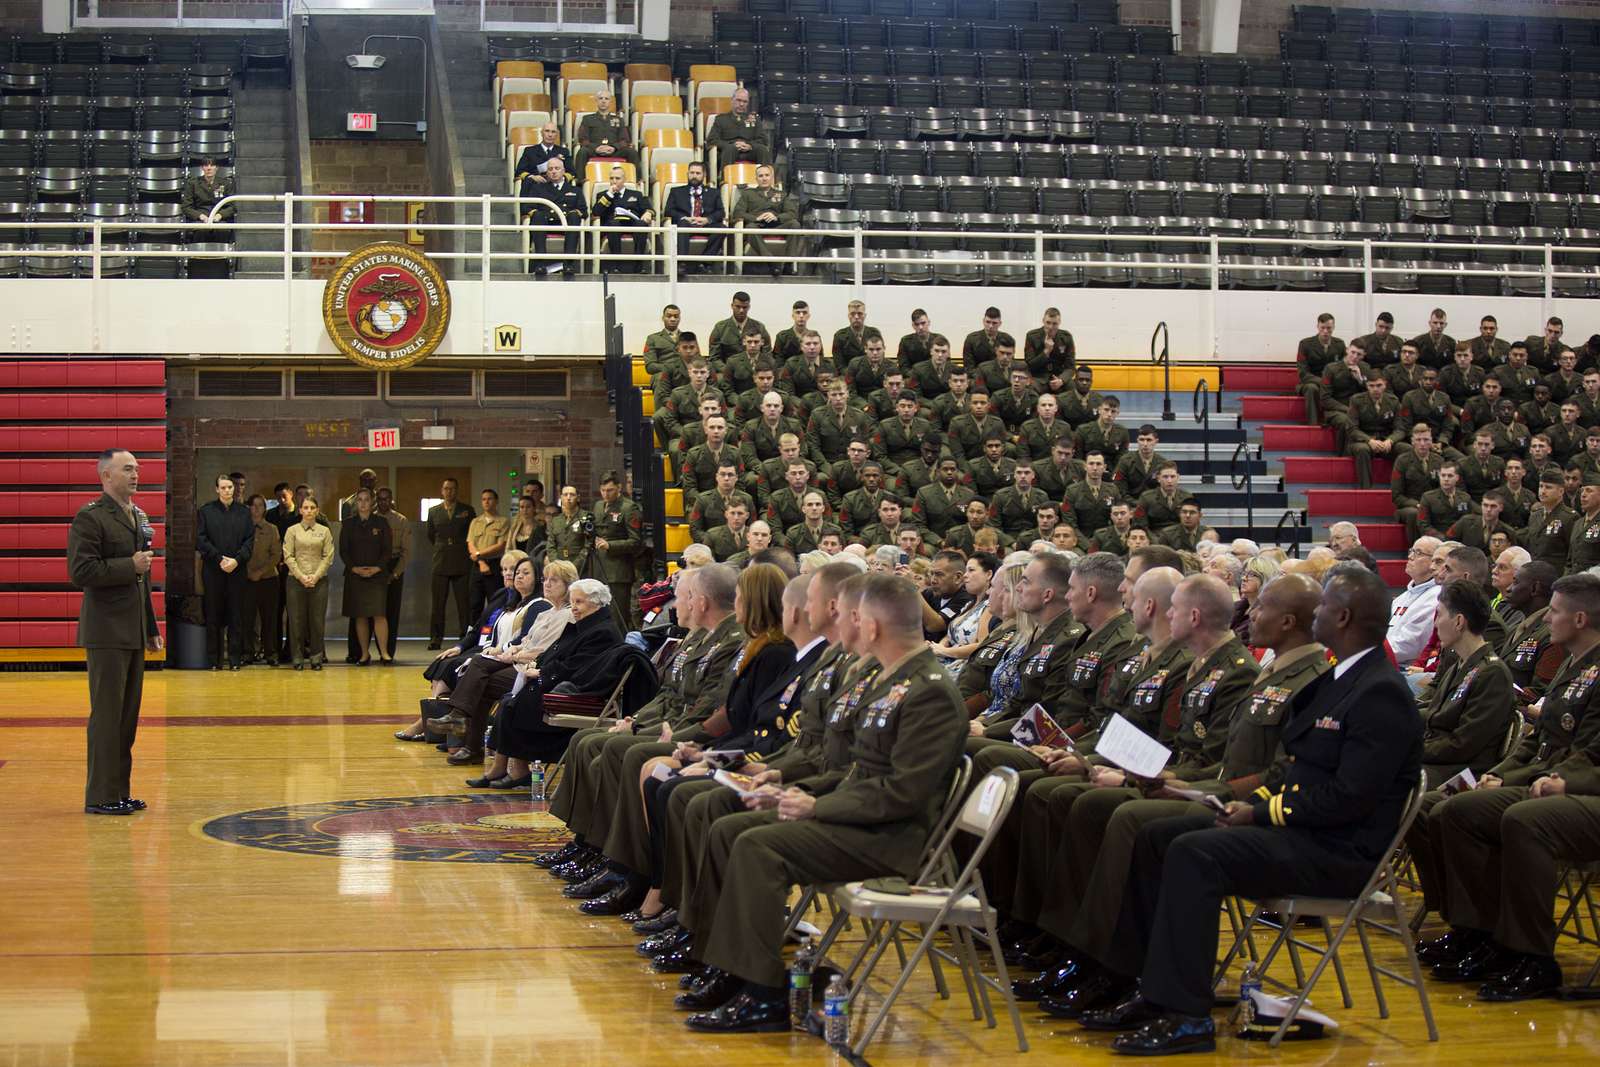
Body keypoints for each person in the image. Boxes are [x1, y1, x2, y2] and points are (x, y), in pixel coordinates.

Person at [1089, 566, 1421, 1055]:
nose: (1316, 615)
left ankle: (1187, 1015)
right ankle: (1145, 987)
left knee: (1194, 853)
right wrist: (1240, 802)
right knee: (1156, 837)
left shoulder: (1381, 691)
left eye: (1324, 607)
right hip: (1306, 833)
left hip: (1340, 852)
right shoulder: (1339, 679)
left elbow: (1349, 798)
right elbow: (1299, 774)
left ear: (1344, 616)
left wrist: (1259, 814)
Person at [681, 574, 968, 1032]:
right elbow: (851, 769)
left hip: (893, 839)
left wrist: (816, 806)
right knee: (731, 828)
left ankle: (765, 995)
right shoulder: (886, 678)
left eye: (856, 616)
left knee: (757, 846)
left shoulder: (928, 689)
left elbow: (901, 795)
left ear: (871, 626)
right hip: (860, 818)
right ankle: (733, 967)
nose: (845, 621)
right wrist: (794, 789)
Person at [1421, 572, 1600, 1001]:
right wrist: (1504, 774)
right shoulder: (1571, 665)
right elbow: (1535, 743)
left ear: (1579, 618)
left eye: (1554, 612)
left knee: (1525, 820)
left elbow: (1593, 753)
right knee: (1454, 809)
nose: (1545, 619)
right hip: (1552, 782)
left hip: (1585, 790)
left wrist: (1557, 781)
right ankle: (1479, 931)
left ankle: (1534, 956)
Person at [67, 449, 161, 815]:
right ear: (106, 476)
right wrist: (129, 564)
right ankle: (100, 796)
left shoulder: (137, 515)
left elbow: (144, 579)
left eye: (137, 468)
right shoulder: (90, 518)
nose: (135, 474)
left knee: (126, 718)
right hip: (106, 630)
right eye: (127, 469)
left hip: (133, 630)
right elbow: (81, 572)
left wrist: (151, 627)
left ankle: (119, 791)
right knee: (107, 716)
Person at [491, 578, 626, 769]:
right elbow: (558, 655)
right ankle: (505, 769)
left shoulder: (601, 631)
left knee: (516, 704)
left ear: (596, 603)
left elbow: (578, 668)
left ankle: (515, 771)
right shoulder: (587, 625)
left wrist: (542, 672)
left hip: (583, 694)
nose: (574, 608)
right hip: (567, 682)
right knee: (511, 701)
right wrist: (539, 667)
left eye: (579, 602)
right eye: (572, 602)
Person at [425, 556, 548, 764]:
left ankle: (460, 724)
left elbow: (526, 639)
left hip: (520, 661)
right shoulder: (510, 603)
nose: (518, 576)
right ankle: (466, 737)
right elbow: (488, 631)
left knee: (477, 666)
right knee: (476, 674)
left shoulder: (538, 605)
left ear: (537, 578)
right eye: (516, 572)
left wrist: (500, 650)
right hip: (501, 656)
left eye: (525, 573)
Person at [196, 472, 253, 671]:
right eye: (223, 487)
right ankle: (214, 660)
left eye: (230, 487)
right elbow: (201, 540)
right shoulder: (206, 511)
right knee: (213, 615)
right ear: (217, 489)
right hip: (214, 570)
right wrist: (219, 559)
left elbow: (249, 541)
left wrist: (236, 560)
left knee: (236, 616)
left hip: (237, 570)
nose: (227, 490)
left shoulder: (244, 512)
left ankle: (235, 660)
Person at [340, 487, 393, 667]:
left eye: (366, 499)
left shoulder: (382, 523)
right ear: (356, 503)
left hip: (377, 576)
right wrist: (354, 568)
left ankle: (384, 653)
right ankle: (364, 654)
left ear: (372, 502)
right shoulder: (348, 524)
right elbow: (344, 551)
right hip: (355, 575)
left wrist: (376, 568)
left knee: (379, 614)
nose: (363, 503)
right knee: (360, 616)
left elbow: (387, 551)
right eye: (359, 500)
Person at [283, 495, 335, 670]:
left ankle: (316, 657)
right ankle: (297, 658)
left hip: (318, 581)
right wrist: (301, 576)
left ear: (317, 510)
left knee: (317, 621)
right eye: (305, 507)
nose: (309, 511)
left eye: (312, 507)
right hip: (295, 581)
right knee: (296, 621)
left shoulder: (324, 531)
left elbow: (328, 556)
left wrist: (315, 576)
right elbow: (288, 556)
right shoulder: (292, 531)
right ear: (300, 510)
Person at [931, 552, 998, 676]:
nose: (965, 576)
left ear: (988, 574)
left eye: (971, 570)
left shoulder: (990, 607)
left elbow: (981, 646)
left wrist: (945, 651)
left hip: (963, 673)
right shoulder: (969, 605)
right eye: (966, 571)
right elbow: (951, 634)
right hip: (945, 664)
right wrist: (937, 647)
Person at [426, 478, 475, 650]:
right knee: (438, 603)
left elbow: (472, 533)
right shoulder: (433, 511)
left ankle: (465, 635)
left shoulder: (467, 510)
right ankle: (435, 638)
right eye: (446, 488)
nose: (449, 492)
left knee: (464, 603)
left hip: (461, 560)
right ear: (442, 490)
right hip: (441, 560)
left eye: (452, 489)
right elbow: (431, 534)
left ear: (457, 490)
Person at [593, 470, 643, 629]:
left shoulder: (628, 507)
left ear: (619, 488)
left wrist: (611, 546)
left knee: (617, 616)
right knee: (598, 614)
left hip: (618, 571)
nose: (606, 494)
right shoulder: (598, 506)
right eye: (603, 490)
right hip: (599, 567)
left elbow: (635, 541)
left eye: (610, 490)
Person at [728, 163, 798, 274]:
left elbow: (792, 213)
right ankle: (771, 261)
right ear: (756, 179)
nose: (764, 178)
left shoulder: (781, 194)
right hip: (758, 226)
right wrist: (756, 218)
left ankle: (789, 264)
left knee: (794, 224)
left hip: (777, 225)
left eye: (767, 175)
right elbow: (737, 213)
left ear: (771, 177)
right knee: (750, 228)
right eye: (761, 176)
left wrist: (777, 217)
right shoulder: (748, 194)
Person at [523, 156, 586, 277]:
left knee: (574, 217)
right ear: (547, 172)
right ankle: (540, 263)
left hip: (566, 224)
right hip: (545, 222)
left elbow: (583, 210)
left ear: (563, 171)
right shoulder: (538, 189)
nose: (553, 171)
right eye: (550, 169)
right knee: (538, 216)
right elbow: (528, 207)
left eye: (557, 168)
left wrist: (572, 213)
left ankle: (568, 264)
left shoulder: (575, 190)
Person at [590, 164, 654, 274]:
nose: (614, 181)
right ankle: (616, 265)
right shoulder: (603, 195)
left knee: (641, 224)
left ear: (624, 180)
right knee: (614, 224)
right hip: (614, 225)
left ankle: (639, 265)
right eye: (611, 178)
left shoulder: (636, 194)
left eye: (617, 178)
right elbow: (596, 212)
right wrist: (609, 194)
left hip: (632, 223)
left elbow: (648, 208)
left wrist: (648, 213)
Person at [242, 494, 283, 666]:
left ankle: (270, 652)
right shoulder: (242, 528)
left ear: (265, 509)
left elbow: (276, 555)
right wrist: (249, 572)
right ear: (249, 508)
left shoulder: (272, 529)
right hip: (246, 578)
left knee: (270, 619)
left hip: (268, 579)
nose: (257, 508)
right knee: (247, 618)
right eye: (254, 505)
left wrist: (260, 572)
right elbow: (238, 553)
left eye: (260, 505)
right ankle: (248, 652)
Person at [665, 161, 725, 275]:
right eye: (692, 173)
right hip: (686, 223)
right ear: (687, 174)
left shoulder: (714, 193)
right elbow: (668, 210)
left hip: (705, 224)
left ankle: (705, 263)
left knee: (723, 228)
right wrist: (684, 217)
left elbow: (721, 212)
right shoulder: (676, 191)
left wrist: (707, 219)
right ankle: (682, 263)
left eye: (698, 173)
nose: (694, 176)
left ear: (704, 175)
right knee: (681, 224)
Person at [374, 488, 411, 660]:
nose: (383, 502)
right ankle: (372, 650)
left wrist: (395, 573)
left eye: (386, 499)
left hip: (394, 564)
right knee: (373, 611)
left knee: (392, 611)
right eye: (380, 499)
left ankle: (388, 652)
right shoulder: (371, 518)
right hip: (374, 566)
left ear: (391, 500)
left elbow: (406, 552)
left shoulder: (401, 520)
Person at [467, 488, 510, 623]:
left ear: (496, 501)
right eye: (484, 499)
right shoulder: (475, 521)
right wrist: (480, 560)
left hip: (494, 565)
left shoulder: (503, 521)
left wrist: (479, 554)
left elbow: (500, 545)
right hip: (477, 565)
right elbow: (470, 543)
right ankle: (472, 634)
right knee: (474, 603)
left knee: (495, 602)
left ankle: (491, 633)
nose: (486, 502)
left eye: (489, 499)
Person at [573, 89, 639, 173]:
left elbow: (625, 140)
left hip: (614, 151)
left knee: (632, 152)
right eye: (601, 98)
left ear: (610, 102)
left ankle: (636, 181)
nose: (603, 101)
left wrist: (614, 147)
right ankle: (580, 182)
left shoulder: (619, 119)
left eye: (606, 99)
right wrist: (596, 148)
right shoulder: (587, 119)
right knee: (582, 152)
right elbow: (583, 139)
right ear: (596, 101)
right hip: (594, 150)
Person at [705, 86, 770, 166]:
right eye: (738, 100)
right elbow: (712, 140)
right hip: (728, 152)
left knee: (762, 150)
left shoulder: (755, 119)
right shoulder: (721, 119)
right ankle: (725, 178)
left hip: (750, 151)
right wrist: (733, 144)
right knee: (730, 149)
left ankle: (766, 176)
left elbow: (763, 140)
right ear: (732, 100)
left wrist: (750, 145)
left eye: (745, 101)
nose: (741, 104)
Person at [180, 156, 235, 239]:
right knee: (200, 230)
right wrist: (200, 216)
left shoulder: (226, 183)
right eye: (206, 165)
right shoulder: (192, 183)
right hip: (200, 220)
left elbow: (233, 206)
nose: (209, 168)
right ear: (202, 168)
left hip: (219, 219)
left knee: (222, 230)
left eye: (212, 165)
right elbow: (186, 207)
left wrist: (220, 215)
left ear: (217, 168)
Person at [514, 121, 573, 200]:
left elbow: (571, 172)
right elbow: (520, 171)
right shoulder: (530, 151)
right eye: (547, 131)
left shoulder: (563, 151)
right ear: (542, 133)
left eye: (553, 132)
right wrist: (533, 177)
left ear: (557, 134)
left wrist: (560, 178)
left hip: (557, 188)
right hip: (535, 187)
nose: (550, 135)